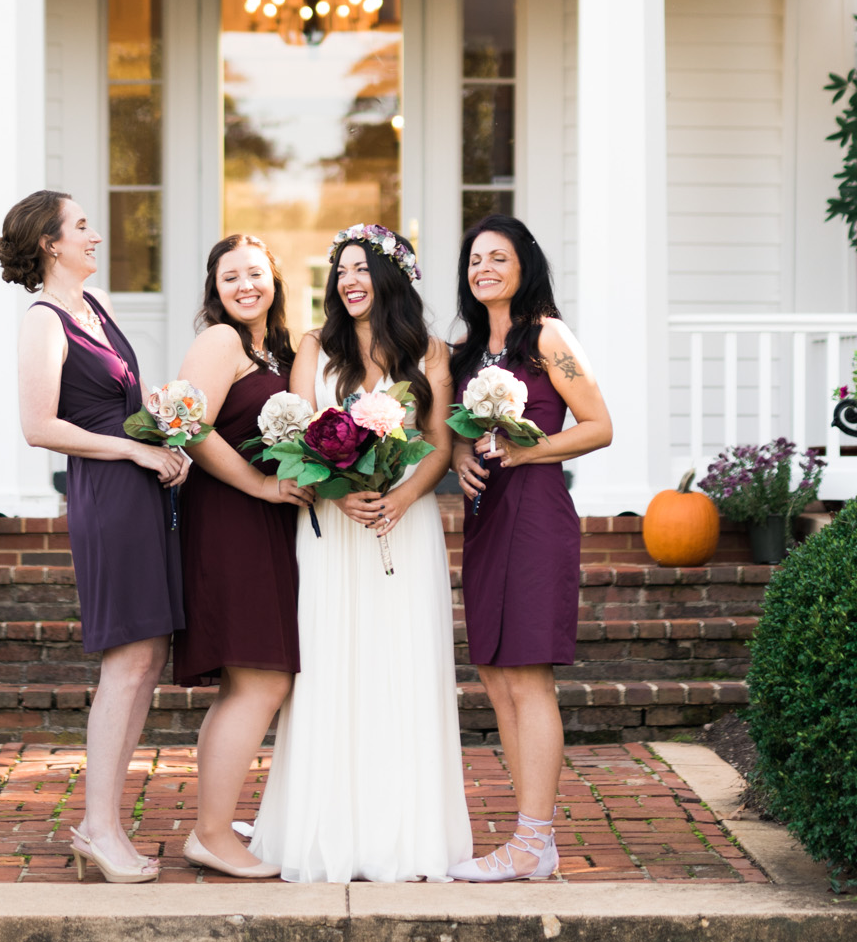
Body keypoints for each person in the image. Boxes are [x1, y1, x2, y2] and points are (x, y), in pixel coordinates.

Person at [251, 223, 473, 884]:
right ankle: (323, 830)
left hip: (402, 528)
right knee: (329, 667)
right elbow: (292, 432)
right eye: (340, 270)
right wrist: (338, 490)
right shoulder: (315, 347)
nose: (348, 280)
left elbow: (435, 443)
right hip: (330, 528)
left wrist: (402, 500)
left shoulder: (430, 353)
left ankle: (404, 834)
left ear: (391, 278)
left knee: (401, 669)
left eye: (361, 268)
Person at [6, 188, 188, 885]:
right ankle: (98, 826)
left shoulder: (98, 305)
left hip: (142, 488)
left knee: (147, 659)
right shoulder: (44, 321)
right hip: (108, 495)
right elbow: (39, 426)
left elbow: (131, 401)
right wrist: (135, 453)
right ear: (50, 243)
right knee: (127, 658)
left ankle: (103, 821)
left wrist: (170, 439)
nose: (94, 233)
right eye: (80, 225)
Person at [447, 214, 613, 883]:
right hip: (485, 518)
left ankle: (533, 839)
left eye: (498, 256)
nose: (484, 267)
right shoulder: (464, 353)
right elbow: (455, 427)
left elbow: (600, 425)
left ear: (523, 266)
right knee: (492, 673)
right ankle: (528, 837)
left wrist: (526, 449)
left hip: (536, 512)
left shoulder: (547, 335)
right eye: (474, 259)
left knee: (526, 674)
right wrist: (461, 452)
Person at [172, 233, 314, 879]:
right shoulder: (221, 342)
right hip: (229, 518)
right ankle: (209, 834)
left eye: (255, 273)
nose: (244, 286)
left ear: (274, 281)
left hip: (264, 525)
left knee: (244, 682)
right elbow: (189, 426)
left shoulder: (275, 351)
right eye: (230, 277)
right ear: (215, 288)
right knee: (262, 679)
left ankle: (214, 821)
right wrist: (259, 483)